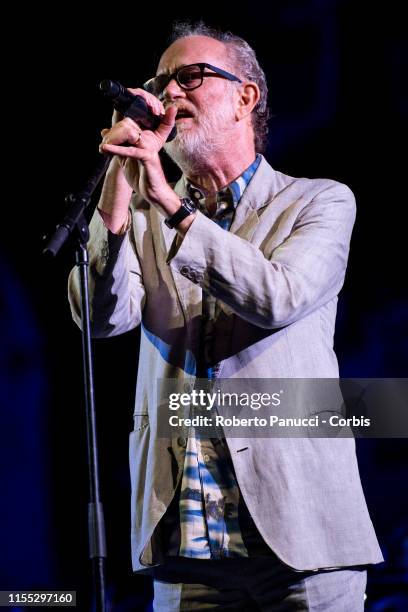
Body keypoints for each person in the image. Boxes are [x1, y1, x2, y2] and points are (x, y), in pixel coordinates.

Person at [68, 21, 383, 611]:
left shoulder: (317, 200)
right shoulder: (140, 209)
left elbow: (277, 297)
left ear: (246, 97)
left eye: (190, 77)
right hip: (186, 541)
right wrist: (120, 175)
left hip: (302, 541)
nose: (169, 95)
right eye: (160, 84)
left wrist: (169, 204)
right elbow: (101, 318)